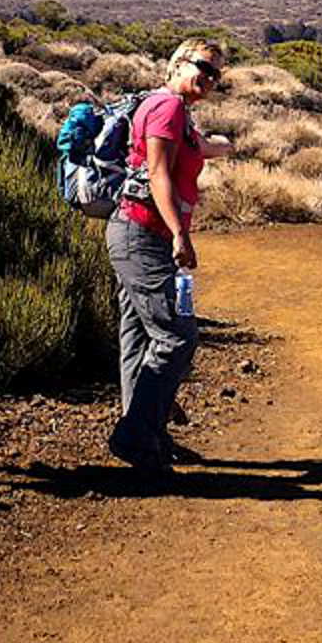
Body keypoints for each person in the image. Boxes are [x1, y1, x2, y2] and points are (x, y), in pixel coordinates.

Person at [106, 39, 234, 477]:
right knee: (176, 336)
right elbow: (158, 172)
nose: (211, 79)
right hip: (143, 234)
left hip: (137, 232)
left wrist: (222, 147)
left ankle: (147, 435)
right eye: (204, 67)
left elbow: (188, 150)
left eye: (217, 74)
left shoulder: (173, 110)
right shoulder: (167, 108)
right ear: (178, 64)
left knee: (139, 337)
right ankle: (136, 434)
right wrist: (180, 234)